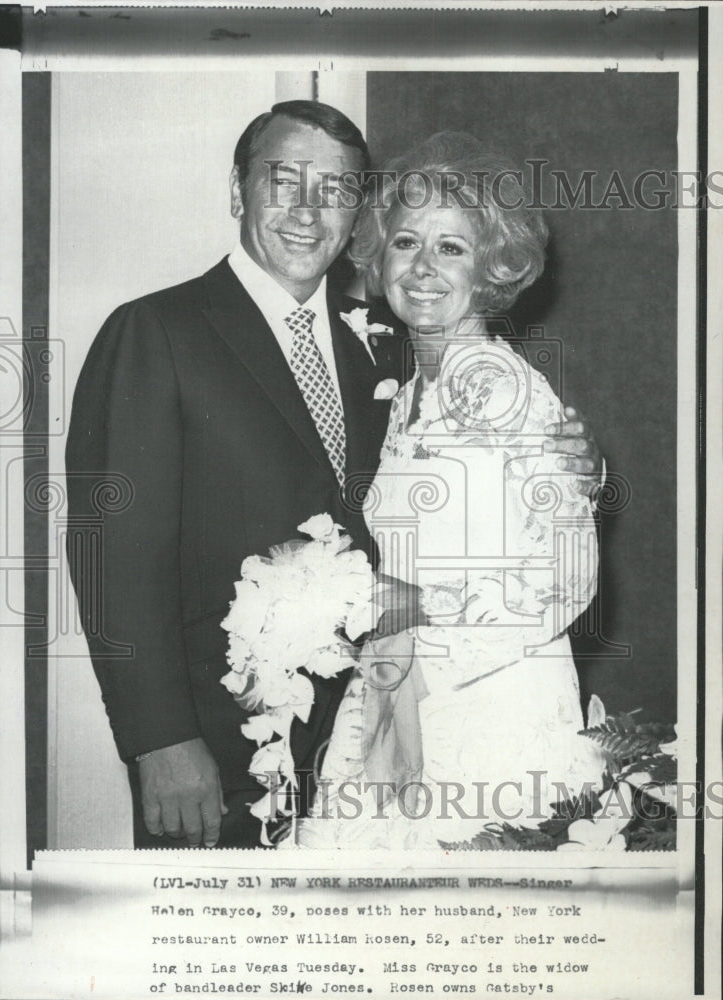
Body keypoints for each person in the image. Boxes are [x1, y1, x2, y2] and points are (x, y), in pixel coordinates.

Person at [66, 102, 601, 850]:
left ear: (356, 214)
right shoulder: (156, 332)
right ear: (237, 190)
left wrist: (576, 464)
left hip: (392, 736)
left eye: (338, 190)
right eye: (285, 181)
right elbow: (114, 557)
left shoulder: (383, 349)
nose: (308, 212)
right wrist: (158, 741)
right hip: (219, 753)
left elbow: (522, 514)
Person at [297, 132, 604, 849]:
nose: (423, 268)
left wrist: (417, 624)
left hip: (488, 708)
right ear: (378, 257)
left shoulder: (506, 390)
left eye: (452, 248)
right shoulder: (407, 393)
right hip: (397, 695)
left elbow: (567, 573)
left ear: (492, 267)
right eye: (406, 243)